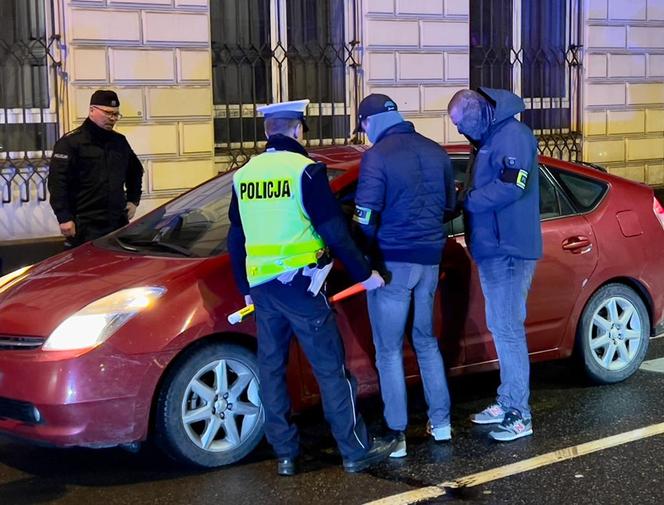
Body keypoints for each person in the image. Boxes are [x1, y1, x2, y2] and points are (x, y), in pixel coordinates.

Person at [227, 99, 396, 476]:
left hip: (263, 288)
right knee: (330, 370)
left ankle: (285, 454)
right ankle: (355, 451)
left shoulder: (244, 175)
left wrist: (245, 287)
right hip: (302, 286)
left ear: (266, 132)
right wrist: (364, 273)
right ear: (298, 130)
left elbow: (235, 238)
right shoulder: (305, 171)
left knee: (271, 369)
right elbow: (334, 230)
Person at [353, 93, 456, 458]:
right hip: (430, 260)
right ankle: (441, 423)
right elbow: (449, 206)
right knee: (426, 342)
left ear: (370, 122)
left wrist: (362, 256)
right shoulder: (436, 151)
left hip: (392, 263)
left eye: (363, 125)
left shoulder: (377, 157)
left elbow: (364, 216)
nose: (364, 133)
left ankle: (396, 434)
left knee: (389, 350)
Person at [447, 88, 542, 442]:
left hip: (509, 250)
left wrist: (468, 200)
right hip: (493, 249)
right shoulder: (489, 136)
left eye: (461, 124)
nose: (459, 131)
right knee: (501, 326)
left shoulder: (513, 135)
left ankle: (519, 413)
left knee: (508, 328)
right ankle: (507, 400)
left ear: (479, 113)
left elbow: (511, 186)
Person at [48, 89, 143, 248]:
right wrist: (64, 217)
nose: (112, 119)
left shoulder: (119, 141)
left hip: (116, 222)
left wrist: (133, 199)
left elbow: (135, 170)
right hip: (85, 224)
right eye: (107, 113)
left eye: (115, 114)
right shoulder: (71, 143)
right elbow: (57, 183)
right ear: (92, 110)